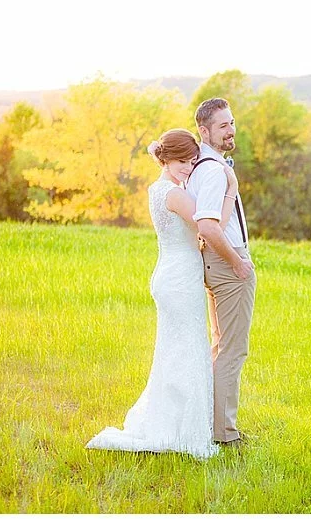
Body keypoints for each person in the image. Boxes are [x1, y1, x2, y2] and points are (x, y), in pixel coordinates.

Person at [85, 128, 238, 460]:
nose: (187, 166)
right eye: (182, 160)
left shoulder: (159, 189)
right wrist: (231, 190)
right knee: (188, 351)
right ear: (166, 159)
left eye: (192, 160)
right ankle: (181, 431)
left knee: (175, 352)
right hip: (179, 279)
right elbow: (214, 225)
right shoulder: (174, 194)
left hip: (172, 274)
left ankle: (174, 422)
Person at [186, 98, 256, 448]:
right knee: (232, 350)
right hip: (228, 267)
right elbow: (209, 227)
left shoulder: (204, 165)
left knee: (222, 347)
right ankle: (225, 435)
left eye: (232, 123)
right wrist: (238, 262)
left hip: (217, 265)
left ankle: (216, 426)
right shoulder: (213, 169)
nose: (231, 130)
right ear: (205, 130)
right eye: (223, 125)